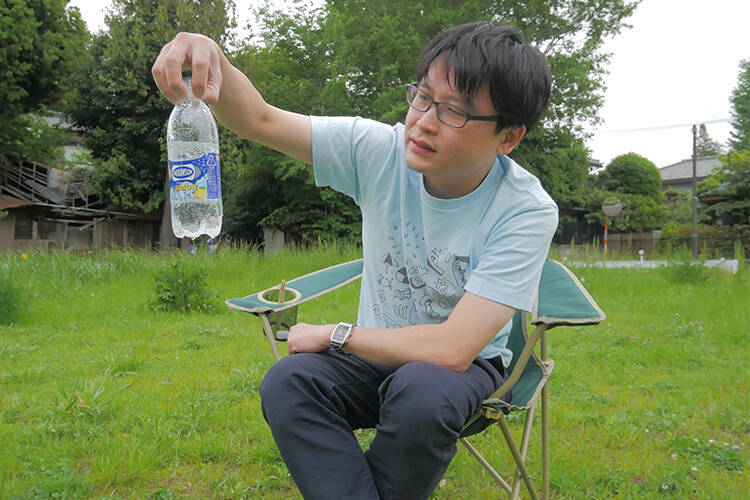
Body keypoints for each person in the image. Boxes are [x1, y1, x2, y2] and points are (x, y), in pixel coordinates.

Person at [153, 21, 557, 500]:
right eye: (422, 96)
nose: (424, 122)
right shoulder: (380, 152)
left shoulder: (524, 210)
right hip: (374, 359)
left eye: (455, 113)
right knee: (289, 381)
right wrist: (213, 58)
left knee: (422, 392)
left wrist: (334, 334)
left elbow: (453, 349)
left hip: (461, 371)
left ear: (508, 137)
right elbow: (260, 120)